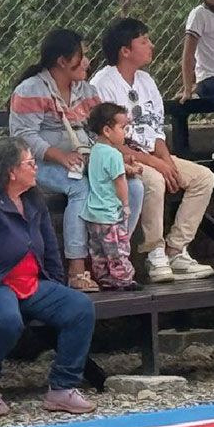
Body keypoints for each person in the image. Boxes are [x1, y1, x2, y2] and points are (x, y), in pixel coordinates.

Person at [0, 138, 96, 416]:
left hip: (31, 283)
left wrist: (55, 286)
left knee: (80, 307)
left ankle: (63, 387)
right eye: (30, 163)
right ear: (11, 171)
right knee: (7, 321)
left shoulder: (33, 201)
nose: (36, 168)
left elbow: (49, 247)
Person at [10, 29, 141, 292]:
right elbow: (23, 136)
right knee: (80, 188)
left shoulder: (86, 90)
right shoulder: (31, 89)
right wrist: (59, 155)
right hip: (41, 164)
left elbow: (99, 131)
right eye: (82, 56)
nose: (87, 62)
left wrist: (116, 160)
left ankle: (113, 256)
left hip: (87, 159)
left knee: (134, 187)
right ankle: (77, 270)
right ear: (62, 61)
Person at [91, 18, 214, 282]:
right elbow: (110, 140)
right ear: (125, 50)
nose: (151, 45)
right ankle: (154, 252)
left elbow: (156, 129)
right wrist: (156, 164)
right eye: (144, 41)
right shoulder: (102, 83)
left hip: (152, 154)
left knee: (203, 178)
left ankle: (176, 250)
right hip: (123, 158)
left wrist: (166, 160)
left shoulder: (146, 80)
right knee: (155, 181)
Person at [82, 103, 141, 291]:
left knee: (98, 251)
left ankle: (105, 279)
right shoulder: (114, 154)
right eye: (122, 128)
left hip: (94, 213)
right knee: (118, 249)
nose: (125, 132)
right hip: (110, 213)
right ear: (107, 130)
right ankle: (125, 280)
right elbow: (120, 181)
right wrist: (126, 204)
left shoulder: (95, 151)